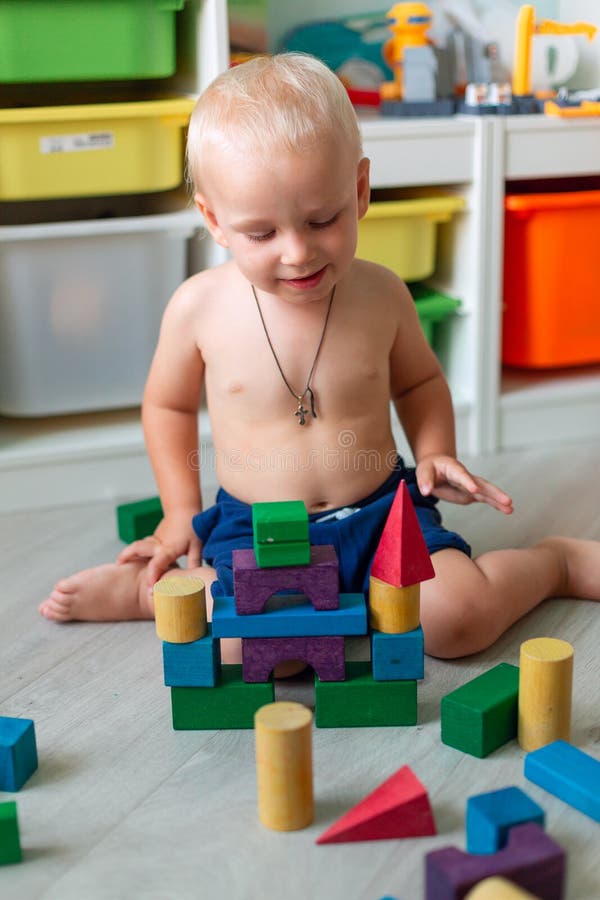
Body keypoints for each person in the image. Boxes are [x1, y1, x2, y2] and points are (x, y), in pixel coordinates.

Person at [39, 53, 600, 661]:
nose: (298, 252)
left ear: (359, 190)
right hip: (255, 528)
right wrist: (180, 513)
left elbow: (418, 383)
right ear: (214, 220)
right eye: (262, 234)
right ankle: (150, 595)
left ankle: (556, 564)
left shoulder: (382, 293)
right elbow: (168, 405)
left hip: (380, 511)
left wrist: (436, 451)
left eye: (322, 219)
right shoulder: (198, 308)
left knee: (455, 621)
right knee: (253, 651)